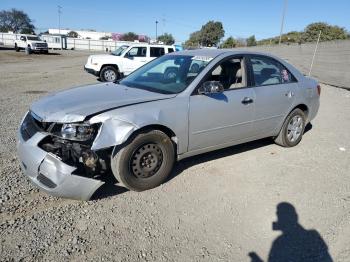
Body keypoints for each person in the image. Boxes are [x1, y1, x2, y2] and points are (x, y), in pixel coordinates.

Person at [249, 202, 332, 262]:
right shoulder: (313, 234)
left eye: (279, 214)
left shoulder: (278, 242)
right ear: (296, 216)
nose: (278, 216)